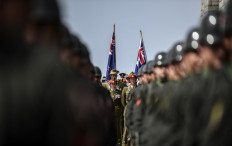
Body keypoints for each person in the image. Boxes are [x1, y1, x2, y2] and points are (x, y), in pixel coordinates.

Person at [109, 79, 123, 146]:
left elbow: (122, 102)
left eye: (114, 84)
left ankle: (119, 140)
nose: (113, 85)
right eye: (112, 84)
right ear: (110, 85)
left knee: (118, 126)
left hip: (117, 111)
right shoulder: (108, 92)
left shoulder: (119, 92)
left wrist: (120, 109)